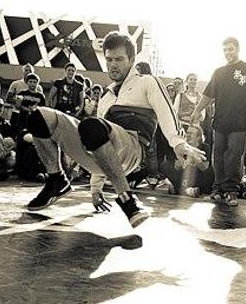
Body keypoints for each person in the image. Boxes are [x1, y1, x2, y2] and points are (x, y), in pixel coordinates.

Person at [23, 32, 205, 232]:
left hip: (132, 150)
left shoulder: (147, 82)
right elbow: (95, 139)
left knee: (92, 125)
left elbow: (166, 111)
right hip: (102, 155)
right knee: (39, 117)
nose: (113, 65)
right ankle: (56, 180)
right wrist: (95, 189)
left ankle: (127, 200)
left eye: (119, 59)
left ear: (132, 60)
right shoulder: (106, 96)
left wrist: (178, 142)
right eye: (109, 60)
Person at [192, 37, 246, 206]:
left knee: (234, 155)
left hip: (240, 121)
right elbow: (208, 95)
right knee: (217, 155)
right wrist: (196, 111)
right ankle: (218, 188)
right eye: (225, 50)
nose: (227, 53)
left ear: (238, 49)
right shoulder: (218, 72)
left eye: (230, 49)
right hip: (220, 121)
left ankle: (231, 190)